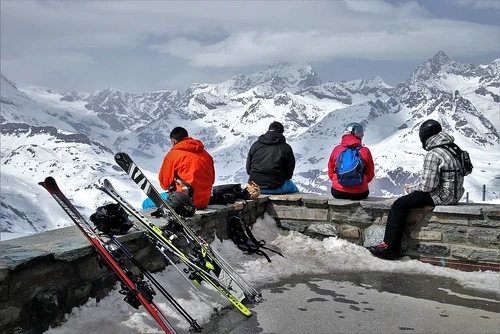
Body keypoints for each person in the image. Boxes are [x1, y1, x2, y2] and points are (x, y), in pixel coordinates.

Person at [368, 119, 466, 260]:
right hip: (457, 194)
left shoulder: (434, 154)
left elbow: (428, 186)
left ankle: (391, 248)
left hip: (442, 196)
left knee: (399, 205)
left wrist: (411, 189)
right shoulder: (454, 149)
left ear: (424, 135)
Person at [148, 126, 215, 210]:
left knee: (147, 203)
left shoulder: (173, 155)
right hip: (204, 201)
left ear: (173, 141)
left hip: (183, 202)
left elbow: (164, 184)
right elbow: (212, 180)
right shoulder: (206, 155)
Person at [246, 121, 299, 194]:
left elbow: (248, 170)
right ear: (281, 133)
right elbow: (289, 174)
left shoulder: (255, 145)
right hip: (276, 186)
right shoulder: (286, 148)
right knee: (294, 189)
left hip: (254, 187)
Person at [327, 122, 375, 200]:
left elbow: (331, 173)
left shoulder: (337, 149)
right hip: (360, 193)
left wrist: (338, 181)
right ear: (361, 136)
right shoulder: (365, 151)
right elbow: (370, 174)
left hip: (338, 191)